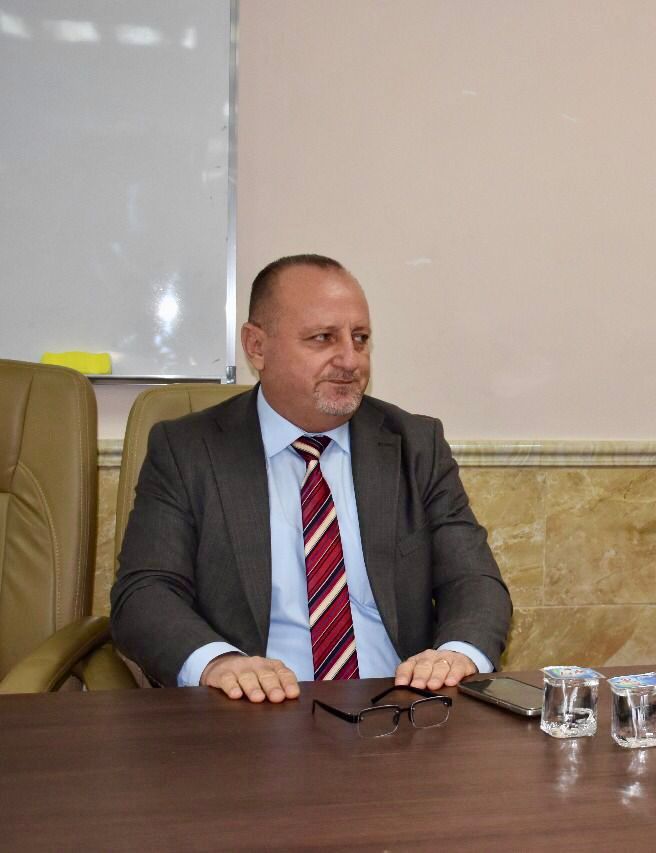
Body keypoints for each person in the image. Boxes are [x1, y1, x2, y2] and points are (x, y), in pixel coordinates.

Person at [111, 254, 511, 702]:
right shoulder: (188, 450)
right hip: (256, 710)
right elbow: (145, 592)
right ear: (256, 347)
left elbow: (474, 581)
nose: (350, 360)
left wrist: (456, 655)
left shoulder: (415, 444)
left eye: (360, 339)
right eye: (323, 338)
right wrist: (218, 663)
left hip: (397, 707)